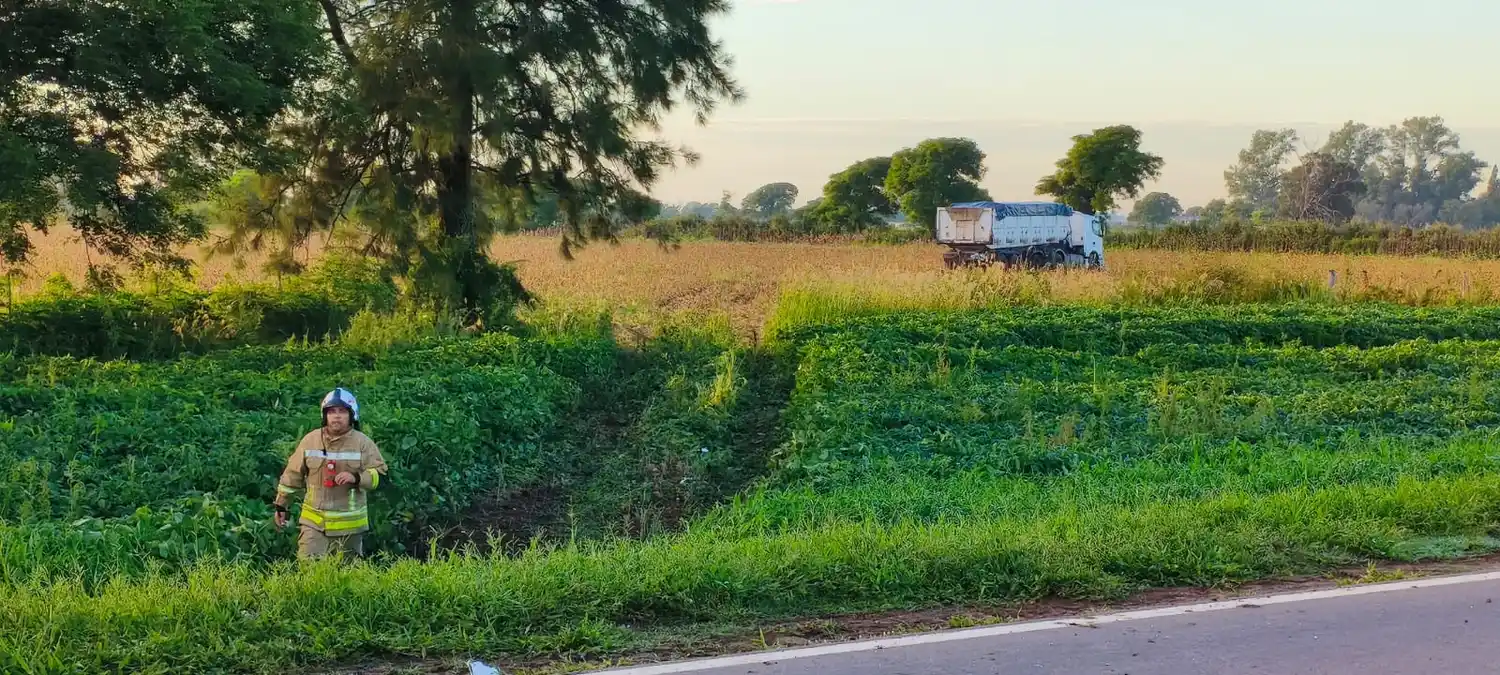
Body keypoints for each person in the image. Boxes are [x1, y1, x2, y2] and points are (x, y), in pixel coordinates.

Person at [273, 387, 388, 560]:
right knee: (310, 572)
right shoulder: (310, 440)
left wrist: (356, 478)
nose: (336, 416)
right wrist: (281, 505)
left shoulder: (363, 443)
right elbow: (292, 476)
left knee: (348, 578)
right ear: (324, 415)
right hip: (314, 524)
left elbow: (381, 475)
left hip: (350, 528)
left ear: (352, 415)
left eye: (342, 411)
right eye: (332, 411)